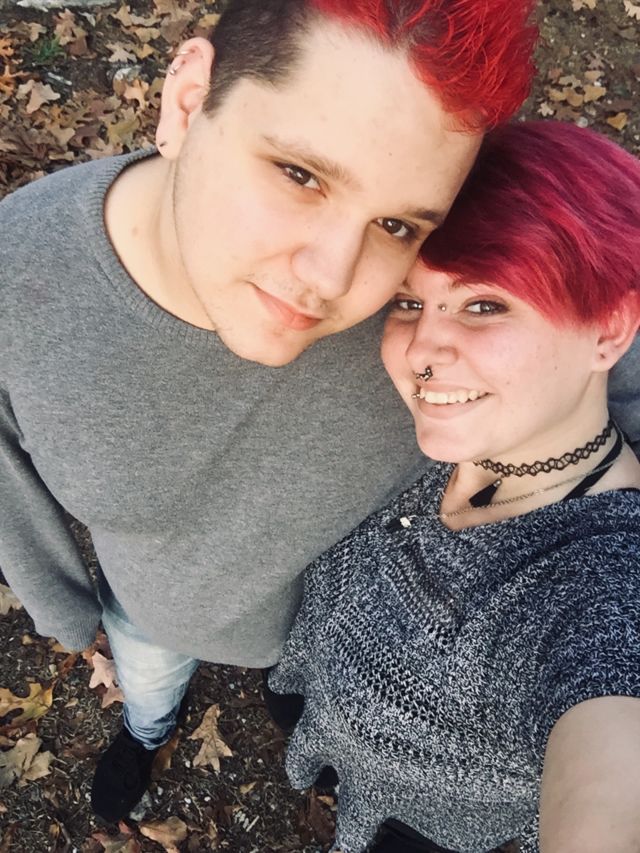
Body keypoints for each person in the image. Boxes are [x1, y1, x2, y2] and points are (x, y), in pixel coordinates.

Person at [0, 0, 540, 825]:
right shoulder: (19, 284)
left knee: (301, 713)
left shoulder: (442, 299)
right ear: (188, 100)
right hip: (156, 615)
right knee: (150, 689)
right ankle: (148, 730)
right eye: (300, 175)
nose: (333, 277)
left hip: (332, 629)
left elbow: (600, 332)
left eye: (395, 224)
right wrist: (70, 619)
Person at [268, 121, 640, 853]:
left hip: (421, 826)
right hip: (311, 694)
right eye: (409, 302)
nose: (421, 352)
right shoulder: (458, 426)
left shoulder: (598, 592)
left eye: (484, 305)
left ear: (608, 328)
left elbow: (611, 770)